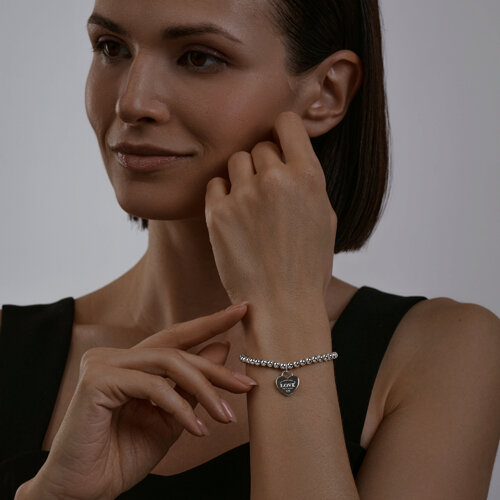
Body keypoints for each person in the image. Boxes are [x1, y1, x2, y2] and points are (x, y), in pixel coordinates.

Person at [1, 0, 499, 498]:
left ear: (326, 92)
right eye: (112, 48)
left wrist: (284, 315)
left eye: (199, 58)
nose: (132, 102)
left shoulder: (443, 355)